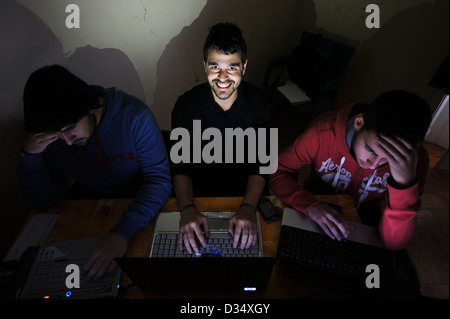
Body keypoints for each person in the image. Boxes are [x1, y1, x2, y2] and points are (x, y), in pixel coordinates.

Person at [18, 64, 172, 279]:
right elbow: (44, 202)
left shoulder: (135, 118)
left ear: (90, 106)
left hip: (141, 209)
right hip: (90, 211)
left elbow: (158, 181)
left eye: (70, 128)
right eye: (57, 135)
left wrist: (122, 232)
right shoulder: (54, 133)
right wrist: (31, 157)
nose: (68, 142)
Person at [269, 90, 432, 251]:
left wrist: (404, 185)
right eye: (370, 149)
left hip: (369, 224)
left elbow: (394, 243)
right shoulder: (322, 133)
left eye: (389, 161)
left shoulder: (415, 163)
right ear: (359, 122)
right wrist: (309, 204)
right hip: (314, 207)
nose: (374, 165)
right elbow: (279, 171)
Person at [171, 22, 274, 254]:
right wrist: (186, 208)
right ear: (205, 65)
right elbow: (180, 166)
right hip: (198, 198)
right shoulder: (185, 105)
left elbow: (263, 164)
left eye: (232, 68)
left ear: (244, 67)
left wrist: (248, 206)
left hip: (246, 195)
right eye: (215, 66)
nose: (223, 77)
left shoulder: (261, 105)